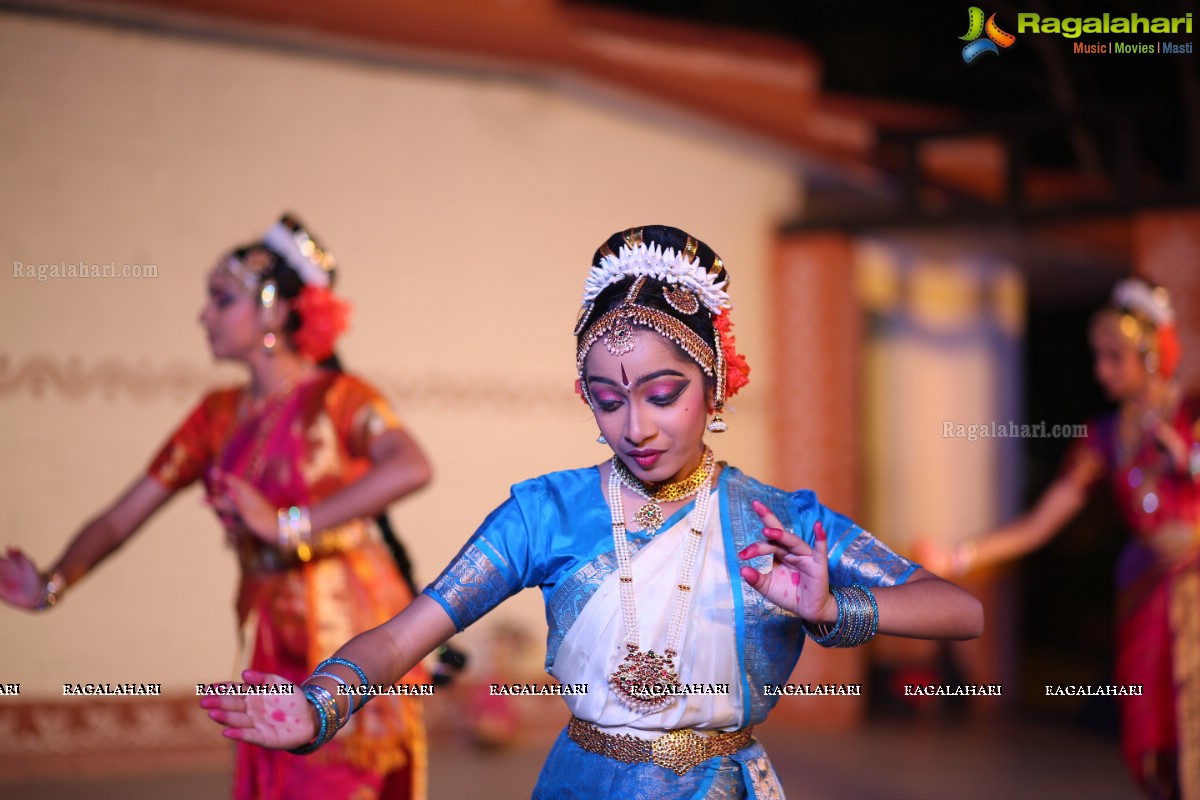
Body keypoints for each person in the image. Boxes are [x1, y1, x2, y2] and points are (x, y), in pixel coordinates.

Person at [202, 225, 983, 798]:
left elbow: (959, 609)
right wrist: (320, 702)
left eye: (663, 394)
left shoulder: (775, 521)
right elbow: (412, 629)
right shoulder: (546, 512)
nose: (635, 427)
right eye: (608, 401)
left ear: (714, 387)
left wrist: (834, 606)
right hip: (579, 781)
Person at [0, 215, 434, 800]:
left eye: (221, 299)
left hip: (343, 622)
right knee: (272, 771)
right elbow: (122, 516)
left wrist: (286, 524)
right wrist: (52, 583)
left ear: (275, 312)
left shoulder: (338, 396)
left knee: (333, 778)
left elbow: (411, 465)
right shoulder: (216, 414)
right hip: (266, 624)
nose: (204, 315)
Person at [922, 278, 1199, 800]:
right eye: (1099, 357)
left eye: (1115, 358)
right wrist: (960, 556)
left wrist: (1189, 460)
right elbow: (1041, 523)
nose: (1102, 372)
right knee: (1150, 742)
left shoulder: (1192, 415)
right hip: (1145, 597)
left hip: (1195, 593)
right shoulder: (1105, 437)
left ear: (1150, 354)